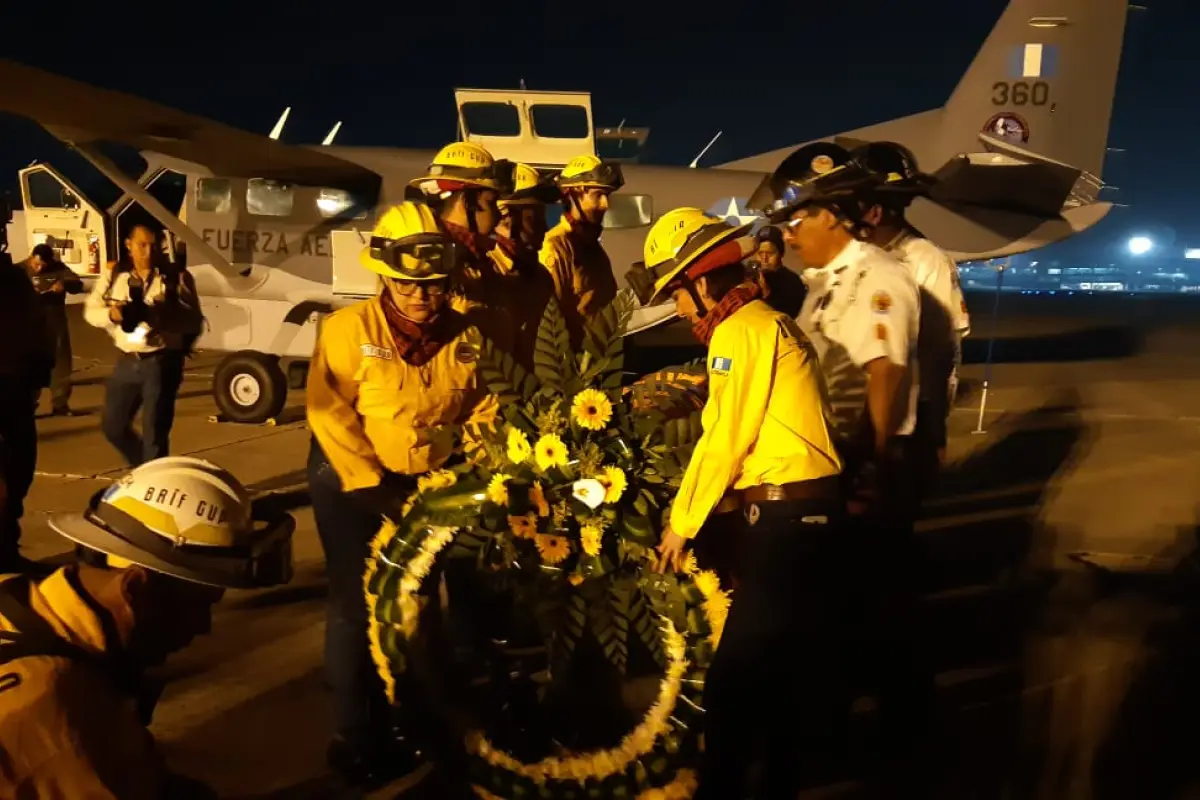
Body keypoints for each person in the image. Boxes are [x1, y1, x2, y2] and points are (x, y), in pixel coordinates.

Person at [629, 207, 846, 798]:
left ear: (700, 283)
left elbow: (725, 436)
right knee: (781, 670)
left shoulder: (738, 331)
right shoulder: (764, 322)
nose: (676, 309)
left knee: (736, 677)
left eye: (676, 294)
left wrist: (680, 525)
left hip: (787, 518)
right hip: (802, 510)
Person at [751, 143, 930, 791]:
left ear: (835, 218)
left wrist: (877, 470)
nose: (789, 236)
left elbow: (886, 375)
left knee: (875, 612)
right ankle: (848, 728)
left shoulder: (879, 276)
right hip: (837, 468)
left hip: (862, 470)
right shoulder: (825, 286)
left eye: (799, 221)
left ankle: (902, 745)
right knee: (846, 612)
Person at [305, 201, 497, 789]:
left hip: (428, 486)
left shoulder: (467, 336)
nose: (421, 296)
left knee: (419, 604)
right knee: (355, 604)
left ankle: (417, 716)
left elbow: (486, 407)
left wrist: (473, 469)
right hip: (350, 481)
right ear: (385, 277)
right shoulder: (346, 331)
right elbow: (329, 413)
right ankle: (357, 735)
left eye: (434, 285)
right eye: (409, 284)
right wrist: (372, 486)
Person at [0, 455, 295, 799]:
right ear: (135, 590)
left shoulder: (16, 592)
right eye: (198, 607)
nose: (203, 627)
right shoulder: (72, 726)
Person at [851, 141, 971, 475]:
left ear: (876, 208)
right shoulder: (856, 258)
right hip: (852, 421)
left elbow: (941, 354)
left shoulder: (924, 260)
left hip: (900, 430)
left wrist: (932, 433)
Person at [84, 225, 203, 466]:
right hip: (127, 361)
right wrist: (112, 314)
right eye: (142, 245)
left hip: (160, 362)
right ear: (128, 245)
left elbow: (194, 322)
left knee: (154, 434)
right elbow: (90, 312)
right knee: (113, 427)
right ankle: (144, 470)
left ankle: (151, 475)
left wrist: (165, 317)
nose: (148, 251)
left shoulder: (175, 278)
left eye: (152, 245)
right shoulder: (115, 275)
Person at [0, 258, 54, 573]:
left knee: (19, 473)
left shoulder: (14, 280)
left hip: (15, 389)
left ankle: (7, 553)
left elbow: (38, 329)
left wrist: (38, 377)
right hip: (13, 389)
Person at [540, 154, 624, 348]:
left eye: (607, 195)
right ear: (574, 194)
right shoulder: (555, 247)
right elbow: (548, 325)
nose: (606, 205)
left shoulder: (595, 250)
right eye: (598, 195)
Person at [488, 162, 557, 369]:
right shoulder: (484, 274)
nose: (545, 227)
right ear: (506, 218)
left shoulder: (541, 278)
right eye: (534, 218)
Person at [23, 243, 85, 415]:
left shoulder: (59, 269)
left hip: (54, 320)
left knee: (61, 362)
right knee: (31, 362)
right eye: (36, 264)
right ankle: (28, 404)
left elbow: (77, 284)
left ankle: (60, 402)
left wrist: (64, 285)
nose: (39, 268)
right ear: (30, 258)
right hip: (30, 322)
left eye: (43, 265)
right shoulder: (20, 270)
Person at [750, 225, 806, 317]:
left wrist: (767, 294)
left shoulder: (792, 282)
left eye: (770, 253)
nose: (764, 258)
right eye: (760, 253)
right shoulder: (751, 280)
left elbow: (788, 319)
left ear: (781, 253)